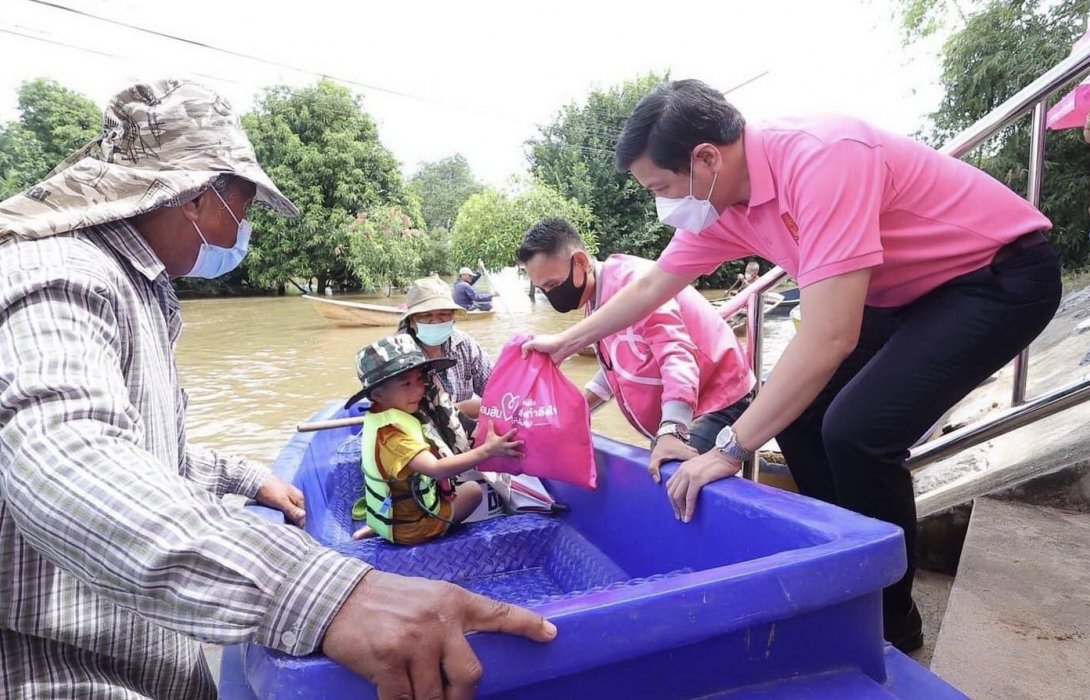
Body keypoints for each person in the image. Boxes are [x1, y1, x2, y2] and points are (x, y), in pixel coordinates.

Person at [0, 79, 554, 699]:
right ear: (197, 196)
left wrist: (244, 477)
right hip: (67, 674)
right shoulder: (58, 274)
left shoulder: (143, 291)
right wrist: (327, 595)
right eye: (245, 206)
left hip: (157, 657)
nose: (245, 227)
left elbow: (148, 452)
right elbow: (65, 457)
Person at [524, 78, 1061, 653]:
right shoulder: (721, 205)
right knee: (801, 419)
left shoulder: (822, 158)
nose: (664, 205)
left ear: (706, 159)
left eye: (661, 187)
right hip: (902, 293)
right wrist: (565, 342)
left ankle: (890, 618)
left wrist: (729, 448)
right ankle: (849, 567)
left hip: (994, 277)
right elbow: (654, 285)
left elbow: (830, 335)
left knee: (857, 431)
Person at [517, 217, 755, 481]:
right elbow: (616, 364)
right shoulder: (593, 296)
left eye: (552, 285)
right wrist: (576, 410)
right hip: (688, 403)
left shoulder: (633, 282)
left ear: (581, 262)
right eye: (543, 290)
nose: (552, 296)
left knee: (673, 477)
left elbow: (676, 353)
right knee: (660, 467)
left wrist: (672, 430)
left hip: (719, 398)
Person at [346, 335, 522, 543]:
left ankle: (379, 525)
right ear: (377, 395)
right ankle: (425, 529)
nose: (419, 390)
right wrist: (488, 451)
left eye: (419, 380)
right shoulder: (393, 436)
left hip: (392, 515)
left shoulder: (385, 415)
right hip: (415, 528)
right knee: (473, 491)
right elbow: (437, 469)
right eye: (406, 384)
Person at [399, 277, 493, 423]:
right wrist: (456, 410)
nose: (436, 321)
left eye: (443, 314)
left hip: (465, 429)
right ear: (411, 321)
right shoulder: (398, 353)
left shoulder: (464, 344)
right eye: (426, 315)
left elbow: (495, 387)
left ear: (453, 317)